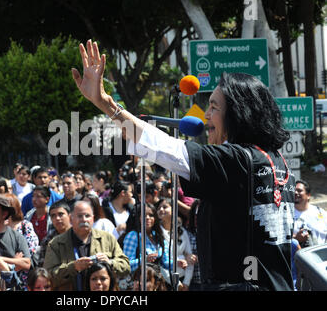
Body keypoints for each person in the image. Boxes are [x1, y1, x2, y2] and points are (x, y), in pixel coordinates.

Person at [72, 40, 295, 290]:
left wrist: (106, 104)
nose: (206, 116)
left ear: (238, 113)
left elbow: (165, 148)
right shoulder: (277, 162)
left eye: (213, 107)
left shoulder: (236, 160)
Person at [43, 200, 130, 291]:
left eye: (87, 216)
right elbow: (48, 277)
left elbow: (126, 266)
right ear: (71, 218)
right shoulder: (56, 244)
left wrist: (110, 263)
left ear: (93, 218)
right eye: (79, 216)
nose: (84, 219)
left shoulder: (107, 238)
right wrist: (73, 267)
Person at [122, 202, 173, 291]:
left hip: (155, 285)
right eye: (144, 215)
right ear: (137, 217)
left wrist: (177, 263)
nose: (148, 218)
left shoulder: (158, 236)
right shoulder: (133, 236)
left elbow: (166, 262)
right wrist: (144, 259)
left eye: (151, 215)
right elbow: (126, 266)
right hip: (137, 285)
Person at [156, 198, 194, 290]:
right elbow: (161, 262)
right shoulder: (157, 233)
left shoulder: (182, 231)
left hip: (184, 282)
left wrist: (186, 283)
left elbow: (190, 258)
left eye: (165, 207)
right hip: (166, 283)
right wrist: (177, 284)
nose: (161, 210)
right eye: (158, 208)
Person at [34, 201, 72, 268]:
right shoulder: (48, 240)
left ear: (70, 216)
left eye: (61, 214)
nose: (57, 218)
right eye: (53, 216)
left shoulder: (78, 235)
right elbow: (42, 268)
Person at [293, 180, 327, 248]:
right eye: (294, 191)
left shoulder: (321, 213)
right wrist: (296, 238)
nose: (296, 193)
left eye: (299, 190)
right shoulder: (286, 214)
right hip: (298, 256)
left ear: (308, 195)